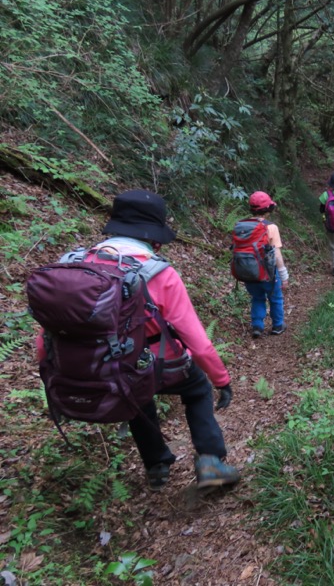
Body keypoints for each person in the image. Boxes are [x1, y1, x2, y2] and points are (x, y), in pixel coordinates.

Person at [37, 190, 240, 492]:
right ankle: (211, 461)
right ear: (154, 237)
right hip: (160, 365)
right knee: (197, 388)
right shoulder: (159, 273)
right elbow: (196, 339)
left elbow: (48, 335)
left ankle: (156, 466)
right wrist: (221, 379)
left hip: (103, 370)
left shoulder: (77, 265)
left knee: (136, 392)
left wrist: (51, 371)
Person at [243, 191, 289, 338]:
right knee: (275, 298)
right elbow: (276, 254)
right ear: (268, 209)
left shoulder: (242, 225)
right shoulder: (271, 227)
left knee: (257, 298)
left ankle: (257, 326)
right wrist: (283, 274)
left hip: (248, 272)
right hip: (268, 273)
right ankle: (277, 325)